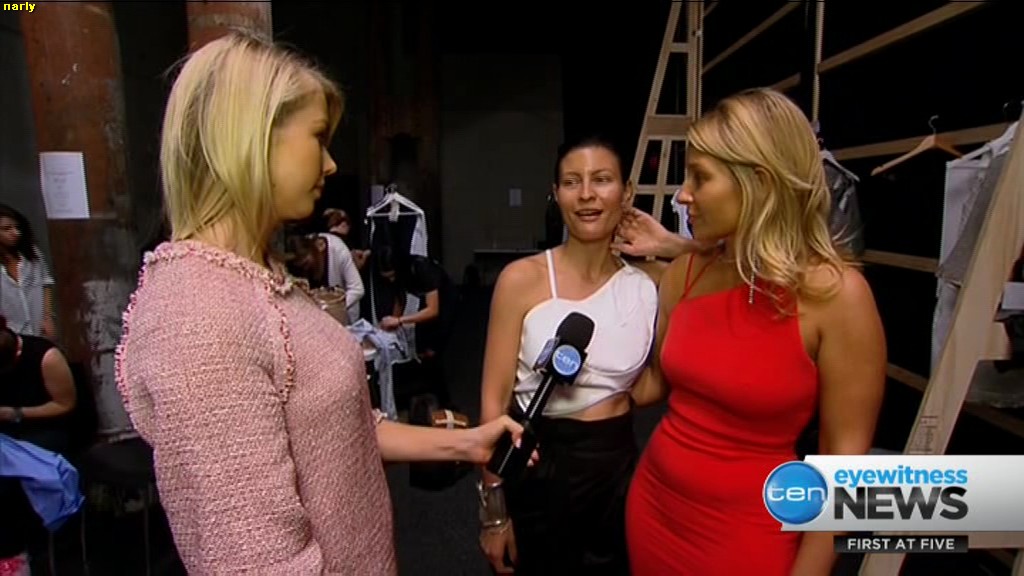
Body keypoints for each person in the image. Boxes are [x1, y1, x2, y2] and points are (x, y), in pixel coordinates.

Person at [114, 31, 529, 575]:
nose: (331, 164)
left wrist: (467, 445)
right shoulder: (201, 319)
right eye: (317, 137)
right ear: (252, 138)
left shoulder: (256, 277)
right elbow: (258, 564)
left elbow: (339, 428)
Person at [618, 88, 886, 576]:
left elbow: (845, 467)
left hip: (747, 534)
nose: (683, 194)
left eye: (700, 177)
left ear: (758, 182)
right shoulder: (686, 273)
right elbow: (655, 383)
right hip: (654, 508)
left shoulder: (838, 297)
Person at [478, 136, 660, 575]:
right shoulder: (521, 279)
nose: (586, 194)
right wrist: (493, 511)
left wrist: (673, 246)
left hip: (616, 467)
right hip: (537, 461)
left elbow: (652, 384)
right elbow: (492, 402)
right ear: (556, 194)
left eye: (602, 180)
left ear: (627, 192)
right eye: (572, 182)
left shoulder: (648, 285)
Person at [0, 316, 77, 576]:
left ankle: (18, 554)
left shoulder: (46, 357)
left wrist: (16, 413)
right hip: (7, 431)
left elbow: (65, 404)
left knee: (8, 482)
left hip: (44, 426)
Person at [376, 245, 459, 409]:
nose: (391, 280)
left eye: (392, 276)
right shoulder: (398, 277)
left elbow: (433, 310)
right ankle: (425, 391)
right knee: (421, 347)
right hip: (427, 303)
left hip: (445, 303)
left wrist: (399, 321)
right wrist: (392, 323)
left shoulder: (422, 268)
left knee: (433, 352)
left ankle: (445, 401)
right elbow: (400, 299)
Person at [0, 204, 56, 340]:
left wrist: (47, 317)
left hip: (37, 329)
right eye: (7, 229)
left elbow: (46, 283)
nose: (16, 233)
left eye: (17, 228)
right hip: (9, 335)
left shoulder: (31, 254)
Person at [286, 231, 365, 324]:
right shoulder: (299, 266)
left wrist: (331, 308)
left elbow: (357, 289)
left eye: (306, 264)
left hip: (341, 316)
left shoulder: (338, 250)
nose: (306, 268)